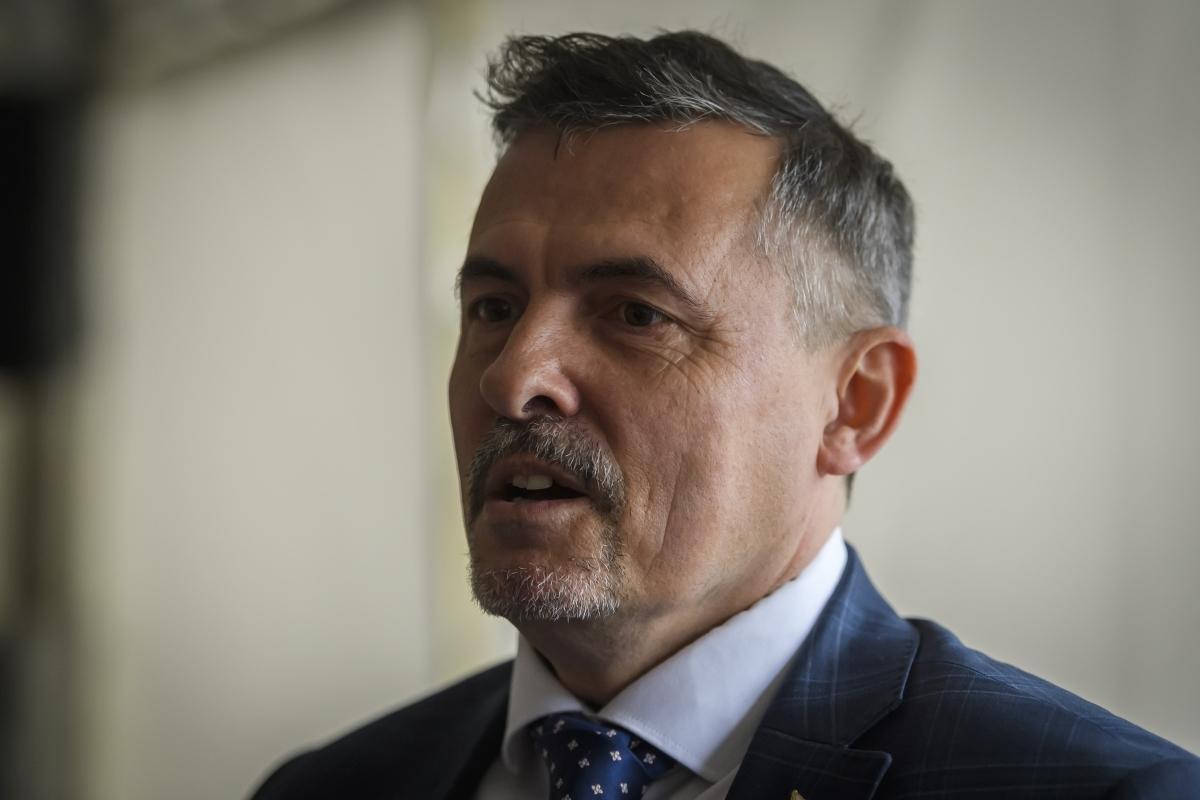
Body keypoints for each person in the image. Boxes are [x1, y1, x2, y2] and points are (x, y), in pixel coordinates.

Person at [250, 31, 1199, 800]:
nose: (513, 379)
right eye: (493, 307)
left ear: (856, 404)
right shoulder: (330, 788)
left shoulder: (1099, 791)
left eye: (636, 315)